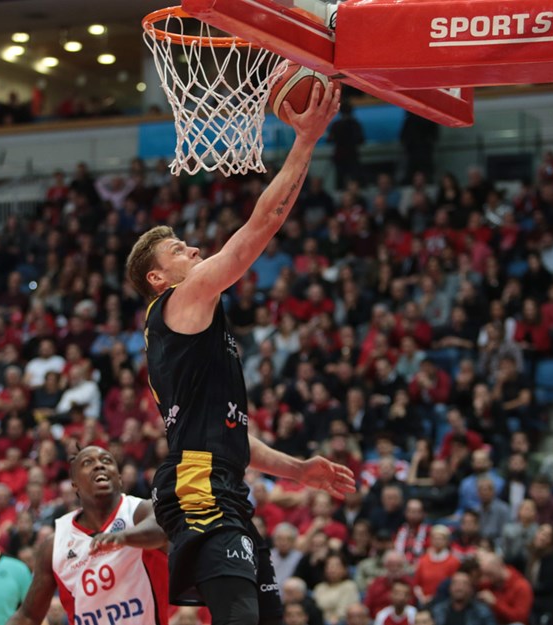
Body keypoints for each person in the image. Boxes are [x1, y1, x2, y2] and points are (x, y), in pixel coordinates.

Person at [126, 80, 355, 625]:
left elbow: (231, 436)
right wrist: (305, 140)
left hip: (221, 482)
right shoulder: (180, 302)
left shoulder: (191, 325)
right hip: (200, 488)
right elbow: (260, 227)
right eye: (179, 249)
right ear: (158, 278)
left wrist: (297, 470)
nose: (194, 248)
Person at [5, 446, 169, 625]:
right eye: (87, 462)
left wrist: (123, 537)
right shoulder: (55, 544)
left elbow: (161, 531)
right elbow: (28, 616)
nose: (99, 465)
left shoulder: (139, 511)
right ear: (75, 484)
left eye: (106, 460)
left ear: (119, 478)